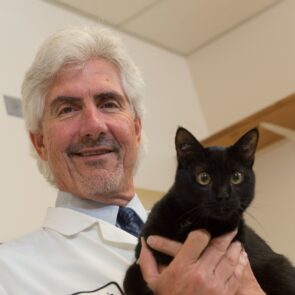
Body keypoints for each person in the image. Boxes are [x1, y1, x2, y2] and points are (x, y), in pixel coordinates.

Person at [0, 25, 265, 295]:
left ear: (136, 129)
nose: (94, 125)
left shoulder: (224, 232)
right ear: (41, 142)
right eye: (67, 109)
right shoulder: (8, 271)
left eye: (109, 103)